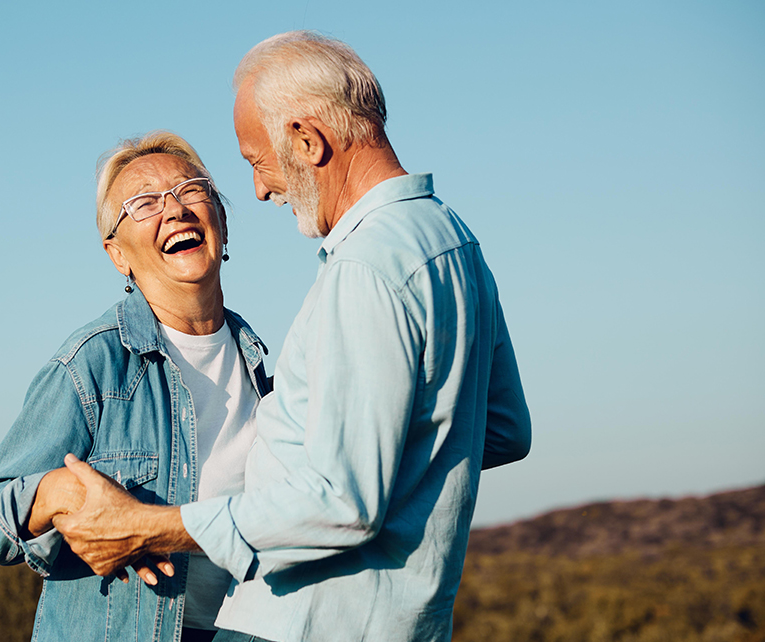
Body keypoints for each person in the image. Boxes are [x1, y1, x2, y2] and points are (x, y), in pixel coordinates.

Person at [52, 31, 532, 642]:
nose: (259, 189)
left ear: (308, 140)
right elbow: (504, 429)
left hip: (300, 623)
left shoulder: (364, 270)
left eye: (257, 161)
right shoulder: (453, 239)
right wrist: (387, 462)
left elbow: (342, 504)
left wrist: (148, 526)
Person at [0, 131, 273, 642]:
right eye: (145, 202)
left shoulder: (262, 367)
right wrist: (54, 491)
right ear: (117, 254)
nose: (174, 210)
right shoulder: (93, 364)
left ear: (221, 221)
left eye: (191, 190)